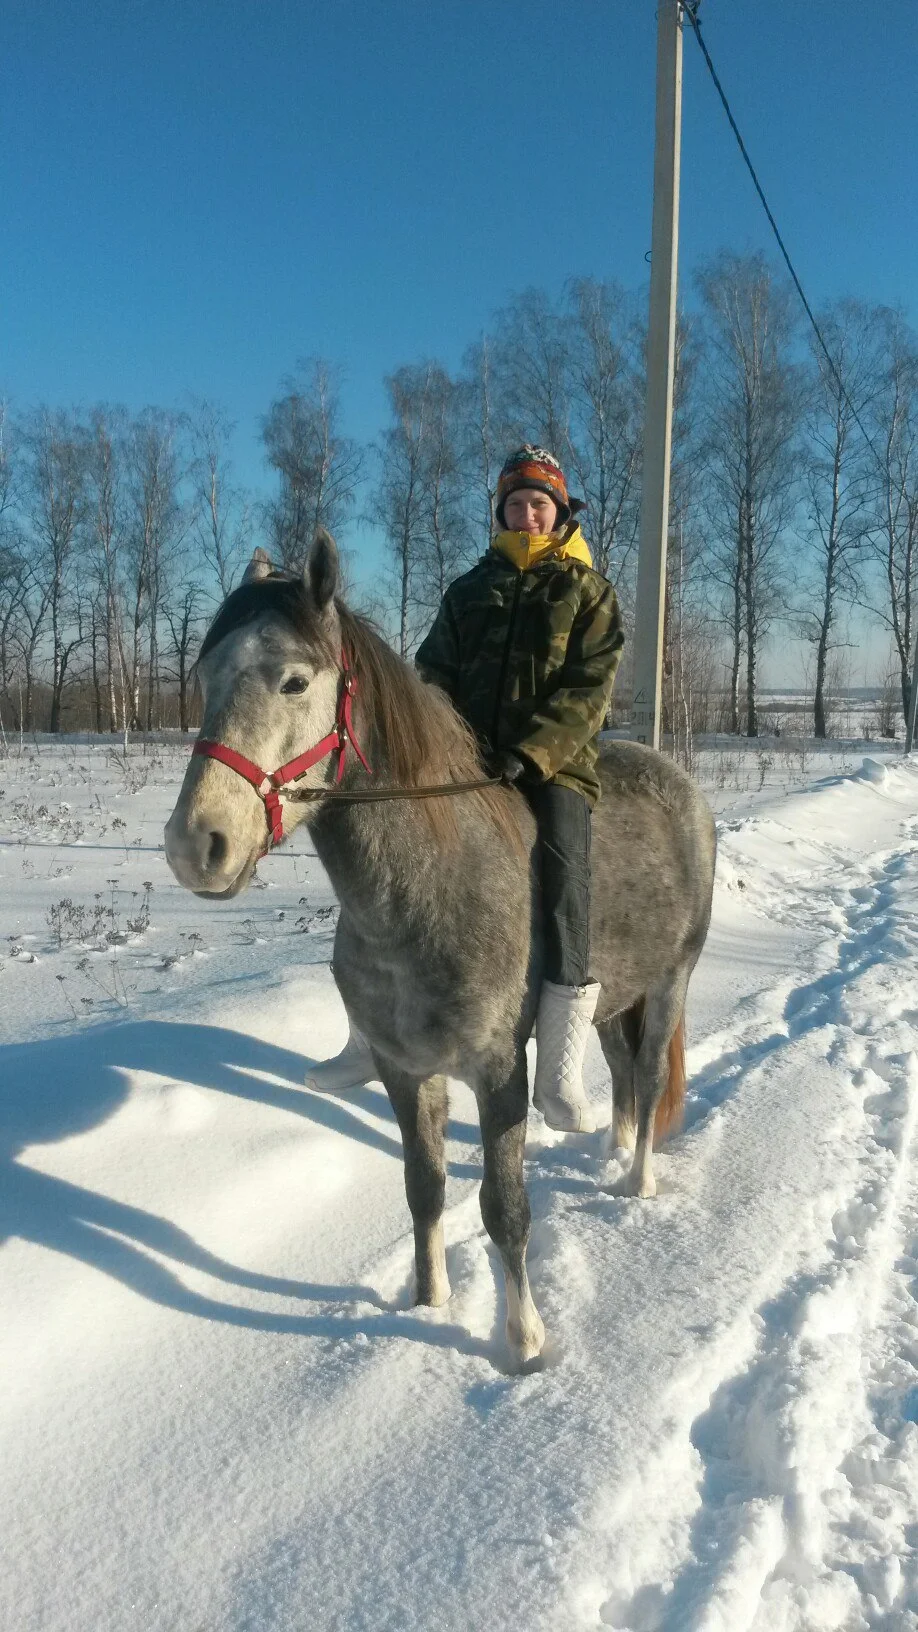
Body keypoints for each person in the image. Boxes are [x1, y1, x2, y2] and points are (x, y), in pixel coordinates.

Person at [308, 445, 624, 1132]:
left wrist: (531, 753)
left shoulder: (587, 592)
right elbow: (433, 673)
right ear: (502, 513)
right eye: (514, 504)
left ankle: (560, 1063)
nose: (526, 512)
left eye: (538, 502)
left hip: (552, 767)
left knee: (565, 871)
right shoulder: (469, 589)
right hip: (464, 762)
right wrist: (429, 746)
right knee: (380, 860)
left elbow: (588, 691)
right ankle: (367, 1034)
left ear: (560, 512)